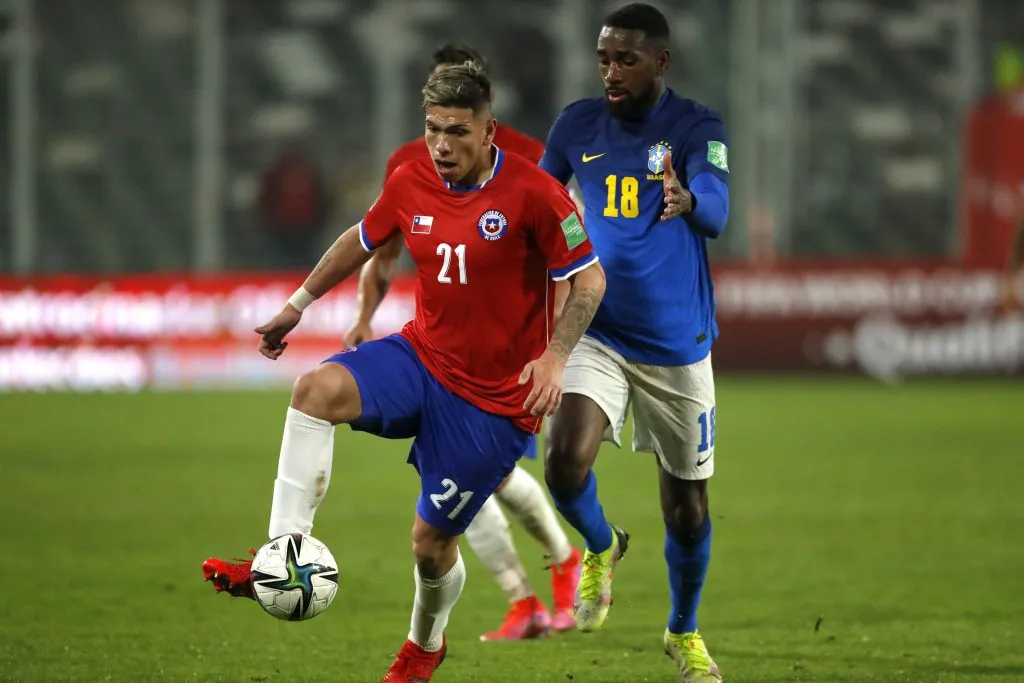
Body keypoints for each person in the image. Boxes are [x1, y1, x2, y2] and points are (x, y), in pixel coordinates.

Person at [201, 63, 606, 683]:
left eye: (457, 132)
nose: (441, 145)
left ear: (488, 131)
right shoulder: (411, 178)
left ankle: (425, 646)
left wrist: (555, 357)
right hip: (423, 357)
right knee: (314, 390)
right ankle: (279, 557)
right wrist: (297, 305)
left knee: (430, 545)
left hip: (494, 403)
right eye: (433, 129)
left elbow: (590, 280)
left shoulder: (536, 193)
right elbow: (360, 240)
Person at [343, 43, 581, 642]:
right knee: (455, 486)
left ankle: (559, 567)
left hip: (511, 361)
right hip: (442, 356)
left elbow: (569, 249)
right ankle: (529, 593)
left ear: (483, 103)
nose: (443, 137)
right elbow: (383, 250)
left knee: (479, 482)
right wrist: (364, 317)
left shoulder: (530, 159)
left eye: (456, 112)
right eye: (434, 112)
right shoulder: (408, 162)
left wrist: (554, 350)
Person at [538, 4, 729, 681]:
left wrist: (689, 201)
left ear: (660, 62)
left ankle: (683, 631)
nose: (611, 71)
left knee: (687, 510)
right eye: (603, 58)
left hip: (676, 345)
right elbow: (537, 200)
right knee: (564, 461)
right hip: (599, 329)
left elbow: (717, 207)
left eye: (626, 59)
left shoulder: (697, 126)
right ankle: (601, 544)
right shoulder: (575, 125)